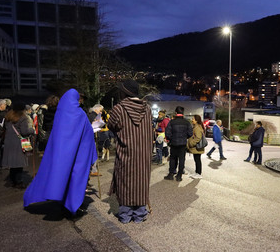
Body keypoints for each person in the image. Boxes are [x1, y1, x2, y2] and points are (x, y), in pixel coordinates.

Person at [24, 89, 97, 215]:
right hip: (78, 153)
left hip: (60, 153)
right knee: (75, 178)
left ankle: (61, 200)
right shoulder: (79, 113)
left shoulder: (60, 113)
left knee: (60, 176)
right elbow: (88, 132)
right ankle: (73, 204)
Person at [107, 79, 153, 224]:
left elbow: (111, 125)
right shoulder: (147, 109)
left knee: (125, 181)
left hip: (126, 152)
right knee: (141, 182)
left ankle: (126, 215)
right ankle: (139, 214)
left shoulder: (119, 108)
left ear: (124, 92)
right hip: (144, 154)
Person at [1, 102, 35, 188]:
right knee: (19, 164)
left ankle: (12, 180)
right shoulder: (23, 118)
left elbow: (4, 129)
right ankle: (18, 182)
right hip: (18, 142)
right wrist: (32, 130)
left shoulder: (8, 117)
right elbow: (24, 132)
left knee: (12, 163)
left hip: (9, 142)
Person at [164, 106, 193, 181]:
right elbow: (190, 133)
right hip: (183, 144)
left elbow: (167, 133)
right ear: (182, 113)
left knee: (173, 158)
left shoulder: (172, 122)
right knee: (182, 159)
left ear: (176, 113)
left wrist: (171, 139)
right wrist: (184, 137)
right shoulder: (187, 122)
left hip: (173, 143)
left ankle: (171, 174)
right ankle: (179, 176)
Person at [187, 115, 205, 179]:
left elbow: (198, 138)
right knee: (196, 160)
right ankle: (197, 172)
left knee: (197, 160)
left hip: (197, 147)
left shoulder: (197, 128)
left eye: (193, 119)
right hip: (196, 147)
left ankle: (199, 173)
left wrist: (191, 143)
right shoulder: (196, 127)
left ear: (196, 120)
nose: (192, 120)